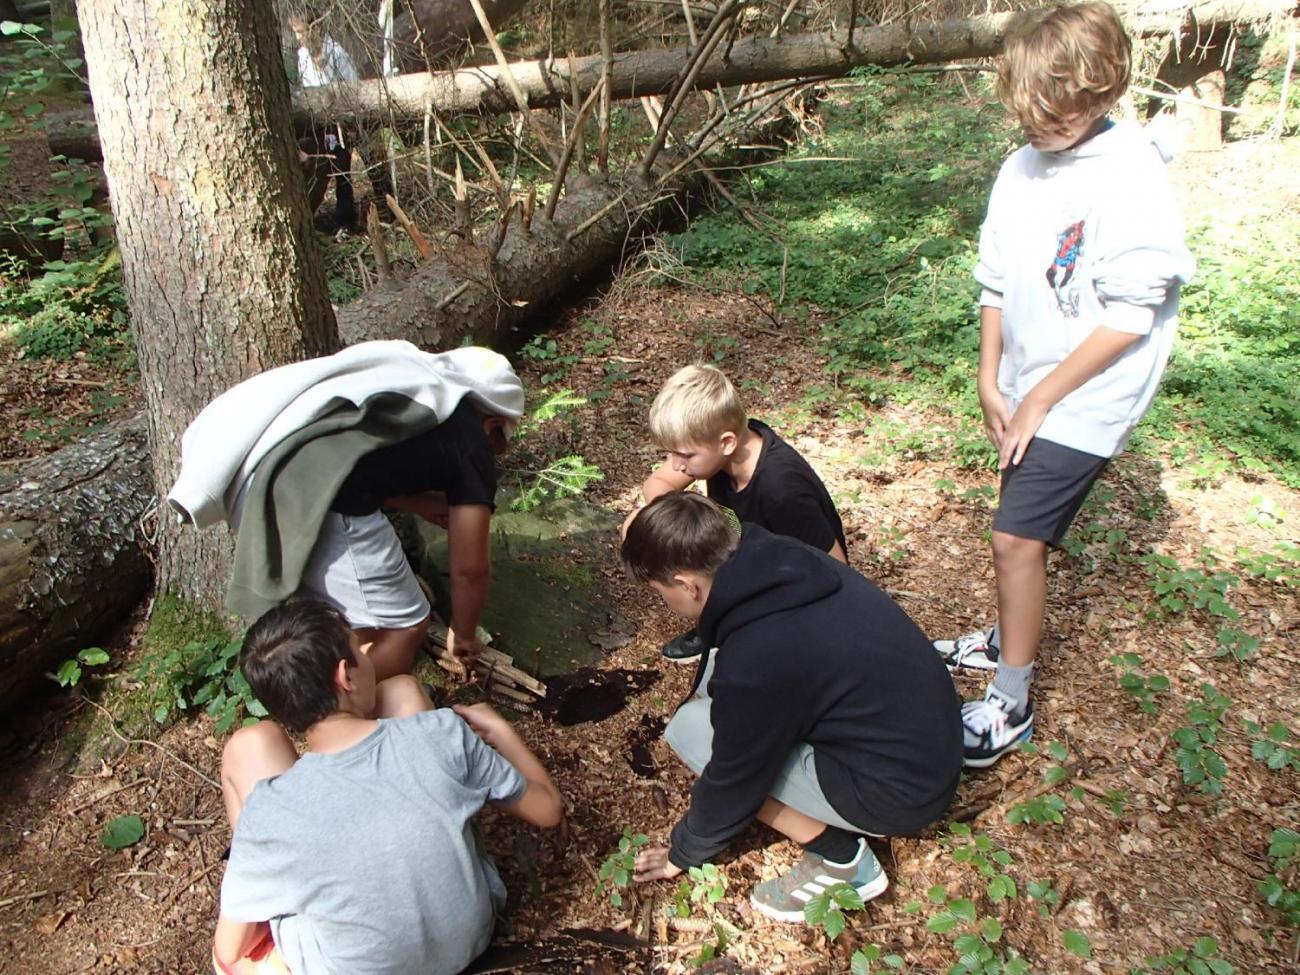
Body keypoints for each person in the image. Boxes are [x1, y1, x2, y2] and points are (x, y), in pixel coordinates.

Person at [933, 1, 1194, 768]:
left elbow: (1131, 315)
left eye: (1055, 113)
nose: (1037, 127)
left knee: (1015, 537)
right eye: (1028, 112)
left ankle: (1009, 701)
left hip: (1090, 391)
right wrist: (991, 376)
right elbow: (995, 279)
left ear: (1101, 88)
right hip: (1029, 380)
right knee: (1015, 517)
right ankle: (1006, 634)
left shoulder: (1129, 172)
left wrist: (1042, 398)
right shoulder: (1020, 167)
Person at [623, 492, 961, 921]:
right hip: (933, 738)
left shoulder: (758, 658)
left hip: (901, 791)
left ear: (688, 584)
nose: (665, 604)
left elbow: (734, 778)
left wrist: (683, 851)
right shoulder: (779, 558)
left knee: (691, 730)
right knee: (726, 701)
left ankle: (842, 860)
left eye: (660, 593)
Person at [212, 600, 562, 975]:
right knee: (402, 691)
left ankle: (262, 885)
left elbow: (232, 948)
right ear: (345, 676)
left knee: (248, 747)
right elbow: (548, 810)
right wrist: (502, 731)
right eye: (359, 649)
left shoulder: (269, 810)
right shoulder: (441, 731)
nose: (367, 653)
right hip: (468, 941)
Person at [167, 342, 525, 682]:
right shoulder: (472, 442)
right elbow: (470, 570)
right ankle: (331, 709)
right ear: (493, 423)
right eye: (496, 444)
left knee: (346, 626)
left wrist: (415, 503)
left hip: (273, 485)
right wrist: (463, 633)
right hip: (321, 500)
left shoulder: (415, 395)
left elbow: (358, 462)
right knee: (404, 628)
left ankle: (338, 697)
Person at [628, 364, 847, 663]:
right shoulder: (720, 448)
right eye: (672, 453)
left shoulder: (781, 491)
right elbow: (658, 482)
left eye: (685, 455)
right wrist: (671, 522)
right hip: (740, 556)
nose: (677, 464)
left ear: (727, 442)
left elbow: (837, 570)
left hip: (788, 584)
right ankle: (717, 622)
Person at [287, 11, 361, 232]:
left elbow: (353, 89)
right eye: (296, 33)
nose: (299, 38)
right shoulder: (302, 56)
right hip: (315, 123)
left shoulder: (336, 54)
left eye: (302, 32)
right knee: (311, 160)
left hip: (339, 123)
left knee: (341, 167)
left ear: (316, 29)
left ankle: (346, 221)